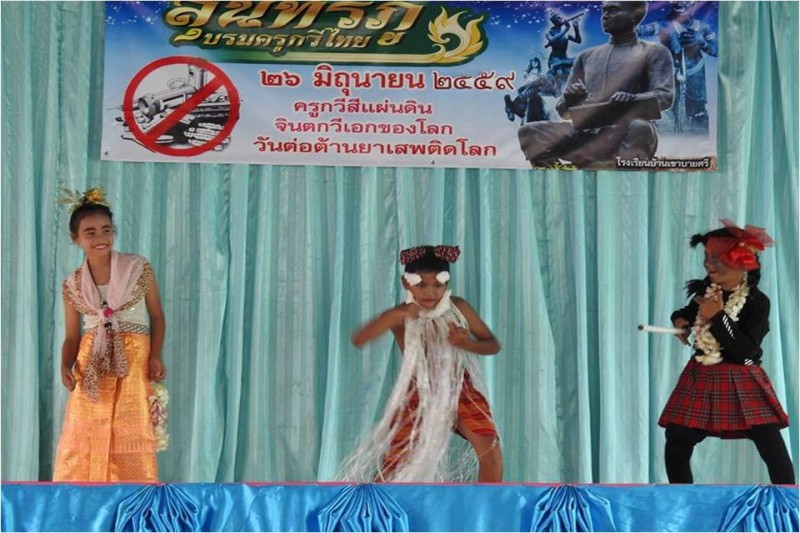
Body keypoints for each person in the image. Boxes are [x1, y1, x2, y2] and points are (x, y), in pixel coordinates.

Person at [339, 245, 502, 482]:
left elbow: (492, 345)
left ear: (446, 284)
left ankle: (486, 503)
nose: (430, 292)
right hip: (419, 394)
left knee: (491, 451)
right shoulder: (401, 315)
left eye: (437, 285)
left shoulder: (459, 308)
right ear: (406, 283)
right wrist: (392, 316)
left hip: (460, 389)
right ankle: (376, 503)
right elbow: (359, 338)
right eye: (421, 285)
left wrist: (467, 343)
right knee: (397, 464)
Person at [659, 220, 795, 484]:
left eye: (717, 259)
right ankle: (682, 498)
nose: (708, 265)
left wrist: (718, 316)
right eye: (707, 257)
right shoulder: (706, 293)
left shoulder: (757, 302)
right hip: (701, 374)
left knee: (769, 441)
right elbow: (685, 312)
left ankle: (788, 499)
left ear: (743, 263)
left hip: (742, 377)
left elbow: (746, 352)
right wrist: (680, 321)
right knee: (677, 438)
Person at [53, 187, 167, 482]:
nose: (100, 238)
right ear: (75, 239)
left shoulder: (137, 268)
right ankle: (82, 492)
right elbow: (72, 336)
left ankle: (133, 490)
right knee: (88, 423)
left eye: (106, 230)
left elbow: (156, 315)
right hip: (92, 361)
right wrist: (65, 365)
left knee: (130, 423)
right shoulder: (73, 284)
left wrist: (155, 354)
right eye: (89, 233)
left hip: (134, 358)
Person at [517, 1, 675, 168]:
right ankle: (558, 176)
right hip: (585, 134)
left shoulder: (654, 52)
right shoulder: (586, 57)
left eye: (613, 10)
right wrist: (571, 100)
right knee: (529, 131)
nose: (605, 16)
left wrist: (632, 99)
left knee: (640, 126)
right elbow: (563, 112)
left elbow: (665, 96)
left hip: (626, 131)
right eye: (604, 11)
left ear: (634, 15)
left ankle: (626, 177)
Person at [637, 1, 718, 132]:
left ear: (694, 4)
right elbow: (635, 31)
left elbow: (718, 51)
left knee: (697, 122)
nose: (681, 3)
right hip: (669, 81)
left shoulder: (703, 28)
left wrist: (702, 43)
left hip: (696, 84)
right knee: (665, 120)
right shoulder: (662, 25)